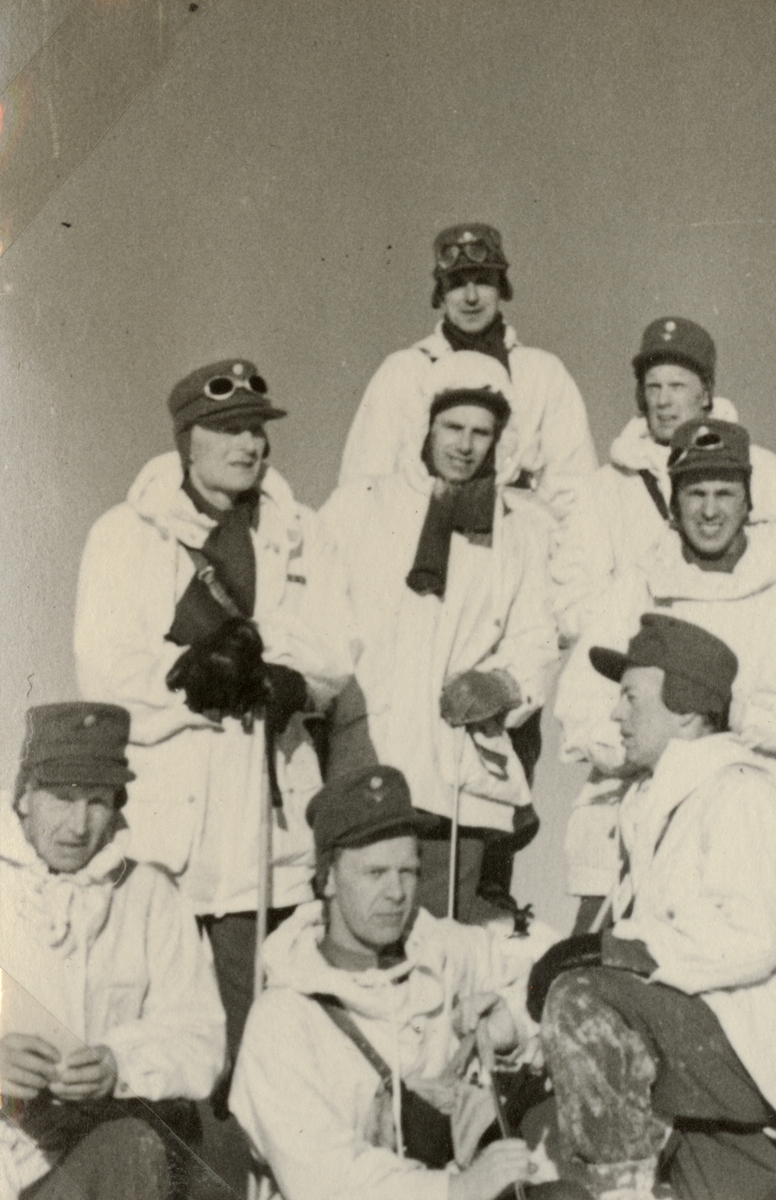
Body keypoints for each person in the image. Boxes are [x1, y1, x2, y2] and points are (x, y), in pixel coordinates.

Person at [74, 360, 351, 1091]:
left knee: (260, 1030)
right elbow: (105, 668)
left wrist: (290, 679)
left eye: (257, 429)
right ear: (186, 441)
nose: (248, 444)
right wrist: (192, 678)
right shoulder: (126, 534)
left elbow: (335, 647)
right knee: (158, 1019)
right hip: (172, 822)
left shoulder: (300, 532)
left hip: (266, 819)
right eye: (227, 429)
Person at [529, 616, 776, 1200]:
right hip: (705, 1043)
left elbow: (749, 937)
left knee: (580, 999)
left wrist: (617, 952)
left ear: (688, 712)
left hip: (745, 1040)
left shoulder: (739, 794)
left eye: (631, 697)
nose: (616, 714)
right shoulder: (658, 802)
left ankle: (619, 1192)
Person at [556, 418, 776, 941]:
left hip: (770, 837)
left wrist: (736, 715)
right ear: (673, 506)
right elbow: (579, 708)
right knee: (599, 975)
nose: (710, 510)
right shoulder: (637, 587)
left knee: (761, 980)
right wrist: (646, 750)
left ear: (749, 501)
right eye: (695, 493)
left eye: (725, 493)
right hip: (645, 833)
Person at [230, 764, 546, 1200]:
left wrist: (510, 1022)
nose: (397, 893)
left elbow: (548, 981)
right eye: (375, 873)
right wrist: (455, 1189)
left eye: (408, 871)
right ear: (327, 878)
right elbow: (324, 1178)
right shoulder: (283, 1017)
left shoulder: (441, 951)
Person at [321, 352, 559, 922]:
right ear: (425, 425)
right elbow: (319, 623)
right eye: (453, 427)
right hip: (368, 749)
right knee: (360, 927)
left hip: (456, 764)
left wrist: (503, 684)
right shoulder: (359, 506)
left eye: (482, 432)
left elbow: (535, 637)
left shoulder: (517, 531)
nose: (465, 445)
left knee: (442, 937)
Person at [551, 316, 776, 655]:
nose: (663, 401)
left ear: (705, 393)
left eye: (677, 386)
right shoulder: (604, 490)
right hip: (649, 672)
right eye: (653, 387)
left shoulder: (762, 470)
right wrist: (643, 620)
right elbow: (571, 607)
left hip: (748, 667)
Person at [0, 703, 226, 1200]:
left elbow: (200, 1038)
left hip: (102, 1158)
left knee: (136, 1148)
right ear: (24, 795)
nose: (79, 825)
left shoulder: (149, 895)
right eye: (63, 798)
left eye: (98, 801)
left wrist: (120, 1062)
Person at [338, 223, 597, 521]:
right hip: (417, 533)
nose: (471, 297)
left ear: (502, 287)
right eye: (458, 283)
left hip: (517, 536)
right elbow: (361, 486)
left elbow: (577, 490)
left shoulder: (543, 374)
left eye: (483, 281)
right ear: (441, 293)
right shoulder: (402, 372)